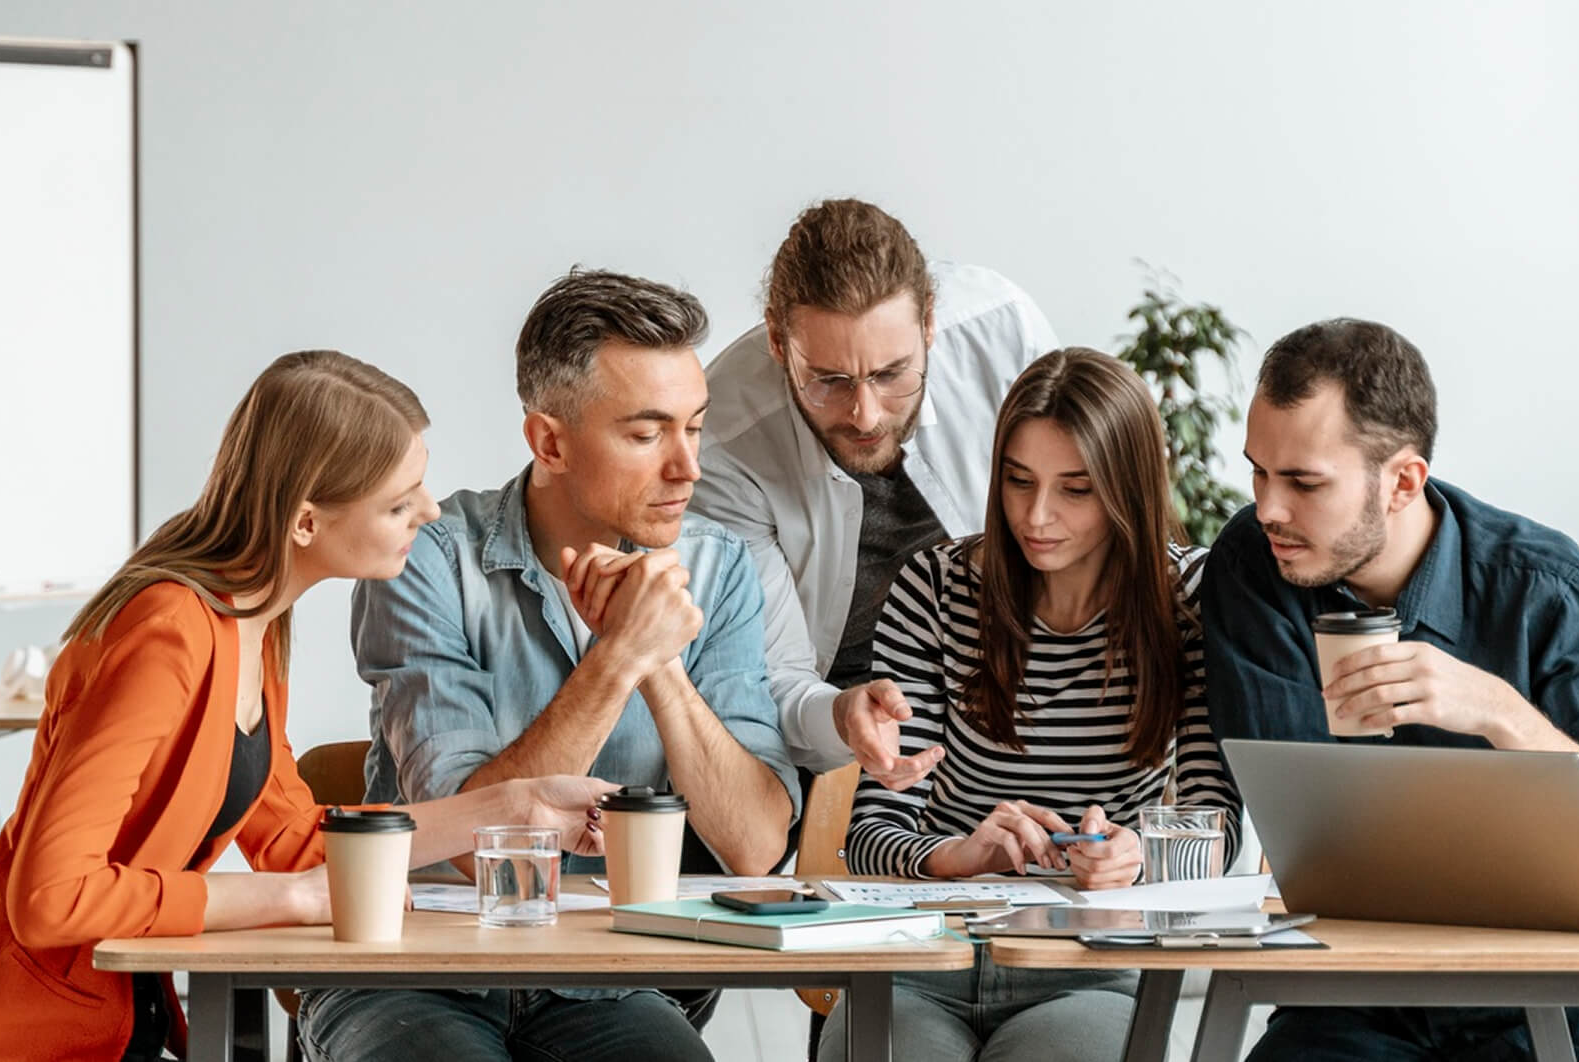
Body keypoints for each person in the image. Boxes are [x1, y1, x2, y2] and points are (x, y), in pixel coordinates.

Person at [0, 351, 614, 1062]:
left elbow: (297, 842)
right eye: (400, 501)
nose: (432, 510)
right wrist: (292, 900)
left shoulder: (250, 626)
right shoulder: (168, 635)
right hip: (11, 1041)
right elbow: (52, 897)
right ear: (306, 522)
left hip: (120, 1028)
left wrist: (513, 806)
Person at [298, 270, 800, 1062]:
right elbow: (470, 846)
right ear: (550, 442)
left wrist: (657, 661)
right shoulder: (426, 556)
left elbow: (754, 845)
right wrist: (617, 657)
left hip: (610, 980)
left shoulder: (718, 566)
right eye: (647, 434)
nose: (687, 467)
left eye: (695, 428)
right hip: (412, 967)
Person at [1202, 318, 1579, 1061]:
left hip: (1572, 983)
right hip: (1367, 996)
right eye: (1259, 472)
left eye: (1303, 482)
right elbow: (1304, 838)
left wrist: (1499, 712)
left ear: (1403, 481)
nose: (1270, 507)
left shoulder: (1544, 587)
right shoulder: (1255, 567)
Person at [819, 349, 1240, 1062]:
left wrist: (1137, 858)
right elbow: (870, 835)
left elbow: (1215, 830)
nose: (1037, 516)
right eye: (1018, 482)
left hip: (1088, 969)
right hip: (925, 957)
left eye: (1075, 489)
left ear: (1127, 490)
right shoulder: (938, 587)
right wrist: (959, 856)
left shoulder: (1188, 599)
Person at [694, 198, 1059, 789]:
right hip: (828, 722)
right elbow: (770, 673)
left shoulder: (1005, 333)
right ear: (778, 342)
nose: (865, 416)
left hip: (1015, 687)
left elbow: (1083, 529)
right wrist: (839, 713)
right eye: (829, 382)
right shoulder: (723, 437)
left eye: (892, 374)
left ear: (930, 324)